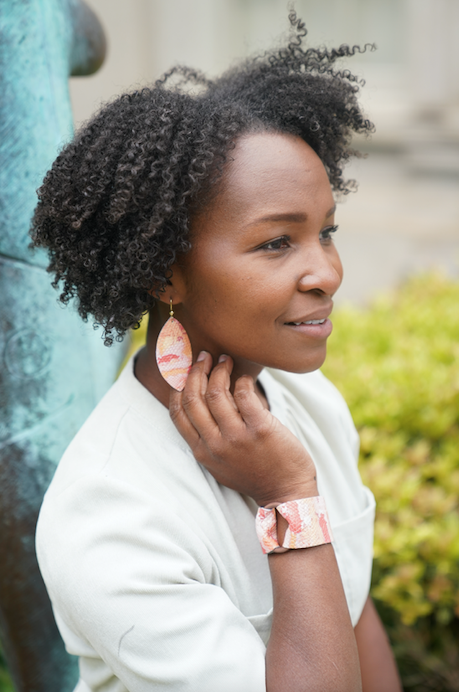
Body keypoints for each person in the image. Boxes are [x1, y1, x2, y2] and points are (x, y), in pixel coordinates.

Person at [32, 13, 402, 692]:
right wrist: (288, 499)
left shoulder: (309, 402)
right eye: (275, 243)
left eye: (326, 231)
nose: (325, 272)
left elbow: (350, 608)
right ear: (163, 272)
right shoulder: (110, 515)